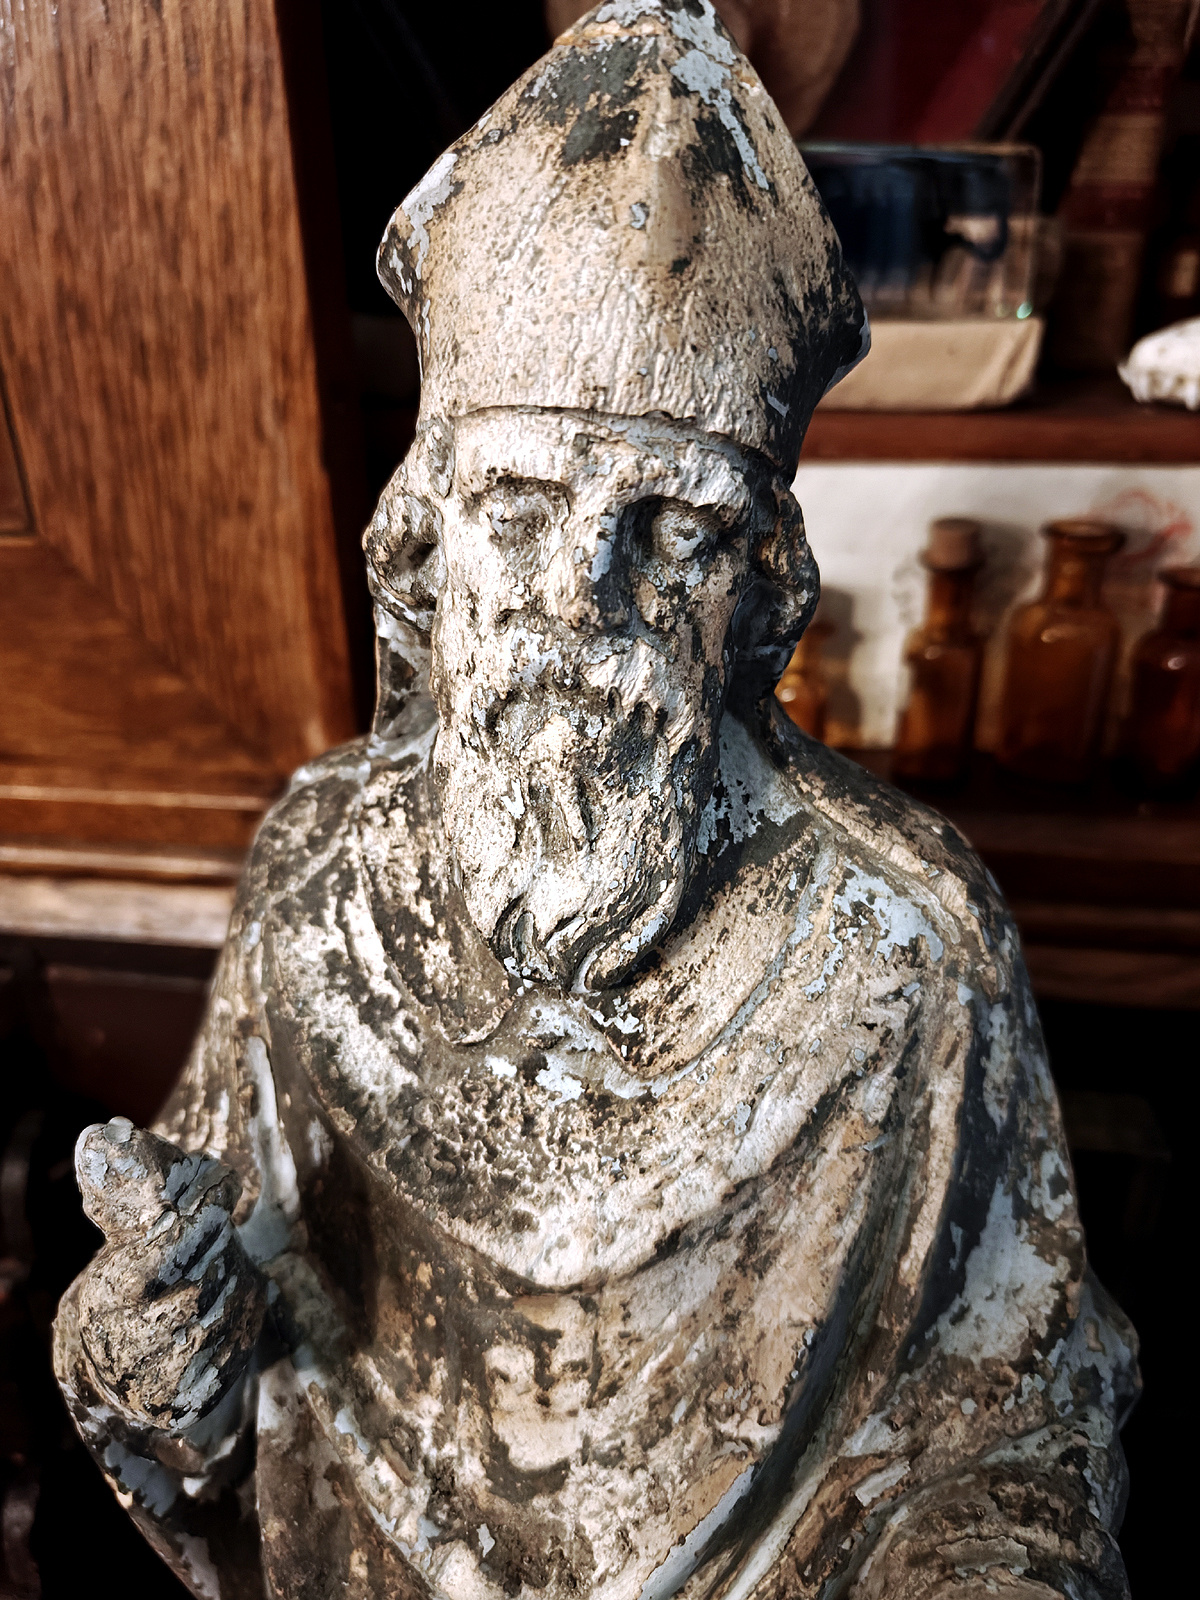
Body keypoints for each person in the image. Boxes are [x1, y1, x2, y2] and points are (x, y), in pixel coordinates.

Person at [54, 5, 1137, 1598]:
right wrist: (149, 1347)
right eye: (517, 508)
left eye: (670, 529)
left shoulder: (904, 945)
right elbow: (223, 1322)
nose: (580, 597)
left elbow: (1008, 1428)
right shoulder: (321, 877)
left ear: (759, 595)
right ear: (425, 547)